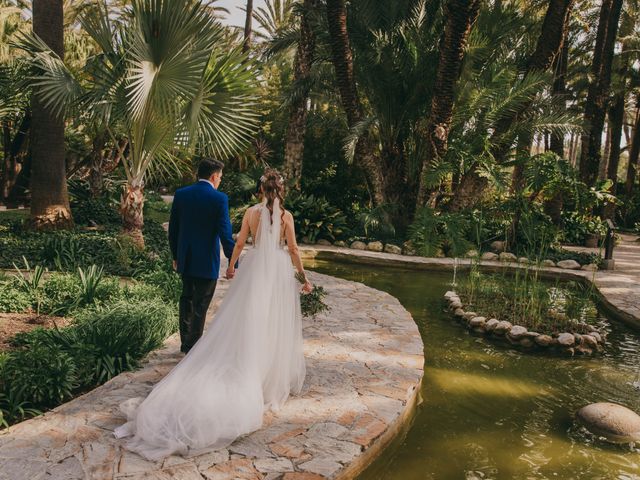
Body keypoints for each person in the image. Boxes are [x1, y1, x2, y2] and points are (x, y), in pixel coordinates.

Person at [114, 169, 312, 461]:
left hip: (255, 268)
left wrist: (232, 267)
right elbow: (293, 248)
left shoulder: (250, 213)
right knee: (273, 322)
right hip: (278, 272)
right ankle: (266, 377)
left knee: (245, 319)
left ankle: (242, 363)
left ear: (260, 190)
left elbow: (241, 242)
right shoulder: (286, 217)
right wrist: (303, 277)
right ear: (282, 190)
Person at [167, 158, 235, 354]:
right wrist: (234, 260)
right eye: (220, 177)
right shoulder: (219, 198)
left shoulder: (181, 194)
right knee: (201, 304)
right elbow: (225, 233)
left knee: (186, 299)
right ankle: (193, 348)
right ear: (214, 176)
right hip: (207, 261)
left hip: (185, 258)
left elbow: (174, 229)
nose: (220, 181)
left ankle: (185, 344)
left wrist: (175, 255)